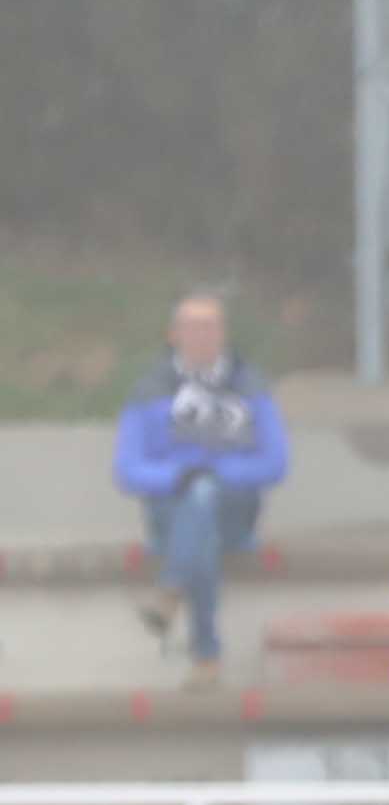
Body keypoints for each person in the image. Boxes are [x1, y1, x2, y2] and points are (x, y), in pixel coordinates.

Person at [112, 291, 287, 687]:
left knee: (205, 496)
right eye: (192, 326)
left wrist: (216, 472)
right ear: (173, 334)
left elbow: (275, 463)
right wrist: (178, 476)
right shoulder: (149, 389)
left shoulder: (250, 386)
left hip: (236, 514)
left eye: (210, 326)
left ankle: (178, 600)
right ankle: (205, 651)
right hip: (168, 516)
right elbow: (127, 468)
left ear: (223, 333)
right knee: (198, 508)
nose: (202, 335)